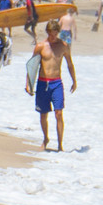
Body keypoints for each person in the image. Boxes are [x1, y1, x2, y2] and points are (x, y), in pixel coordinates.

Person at [30, 19, 76, 151]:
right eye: (50, 34)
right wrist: (29, 83)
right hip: (43, 83)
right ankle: (46, 138)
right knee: (43, 114)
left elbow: (70, 64)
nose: (52, 36)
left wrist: (74, 80)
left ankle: (60, 145)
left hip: (56, 83)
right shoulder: (40, 46)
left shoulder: (63, 46)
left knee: (59, 113)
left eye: (55, 34)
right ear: (47, 32)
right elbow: (32, 65)